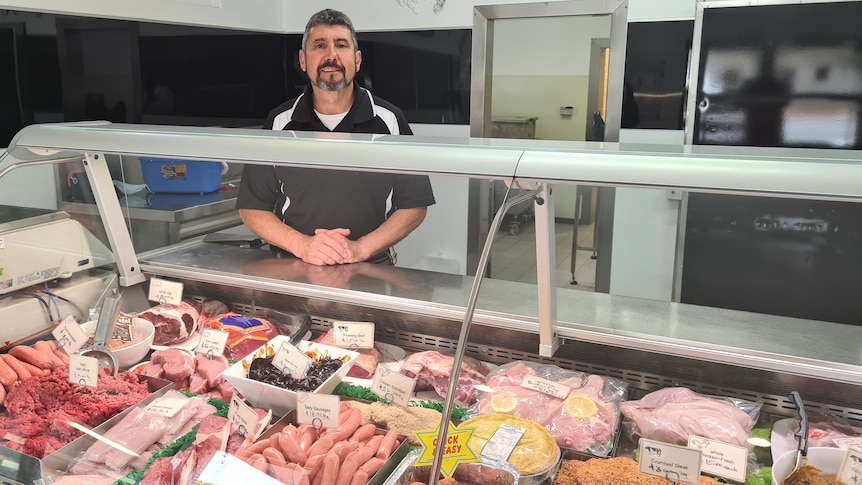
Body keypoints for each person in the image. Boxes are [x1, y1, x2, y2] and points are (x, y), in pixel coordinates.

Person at [236, 8, 435, 266]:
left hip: (370, 266)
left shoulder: (389, 120)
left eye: (341, 45)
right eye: (319, 45)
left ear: (357, 59)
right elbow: (252, 207)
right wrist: (303, 246)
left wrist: (360, 249)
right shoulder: (279, 122)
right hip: (294, 264)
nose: (331, 56)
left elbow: (414, 206)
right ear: (303, 60)